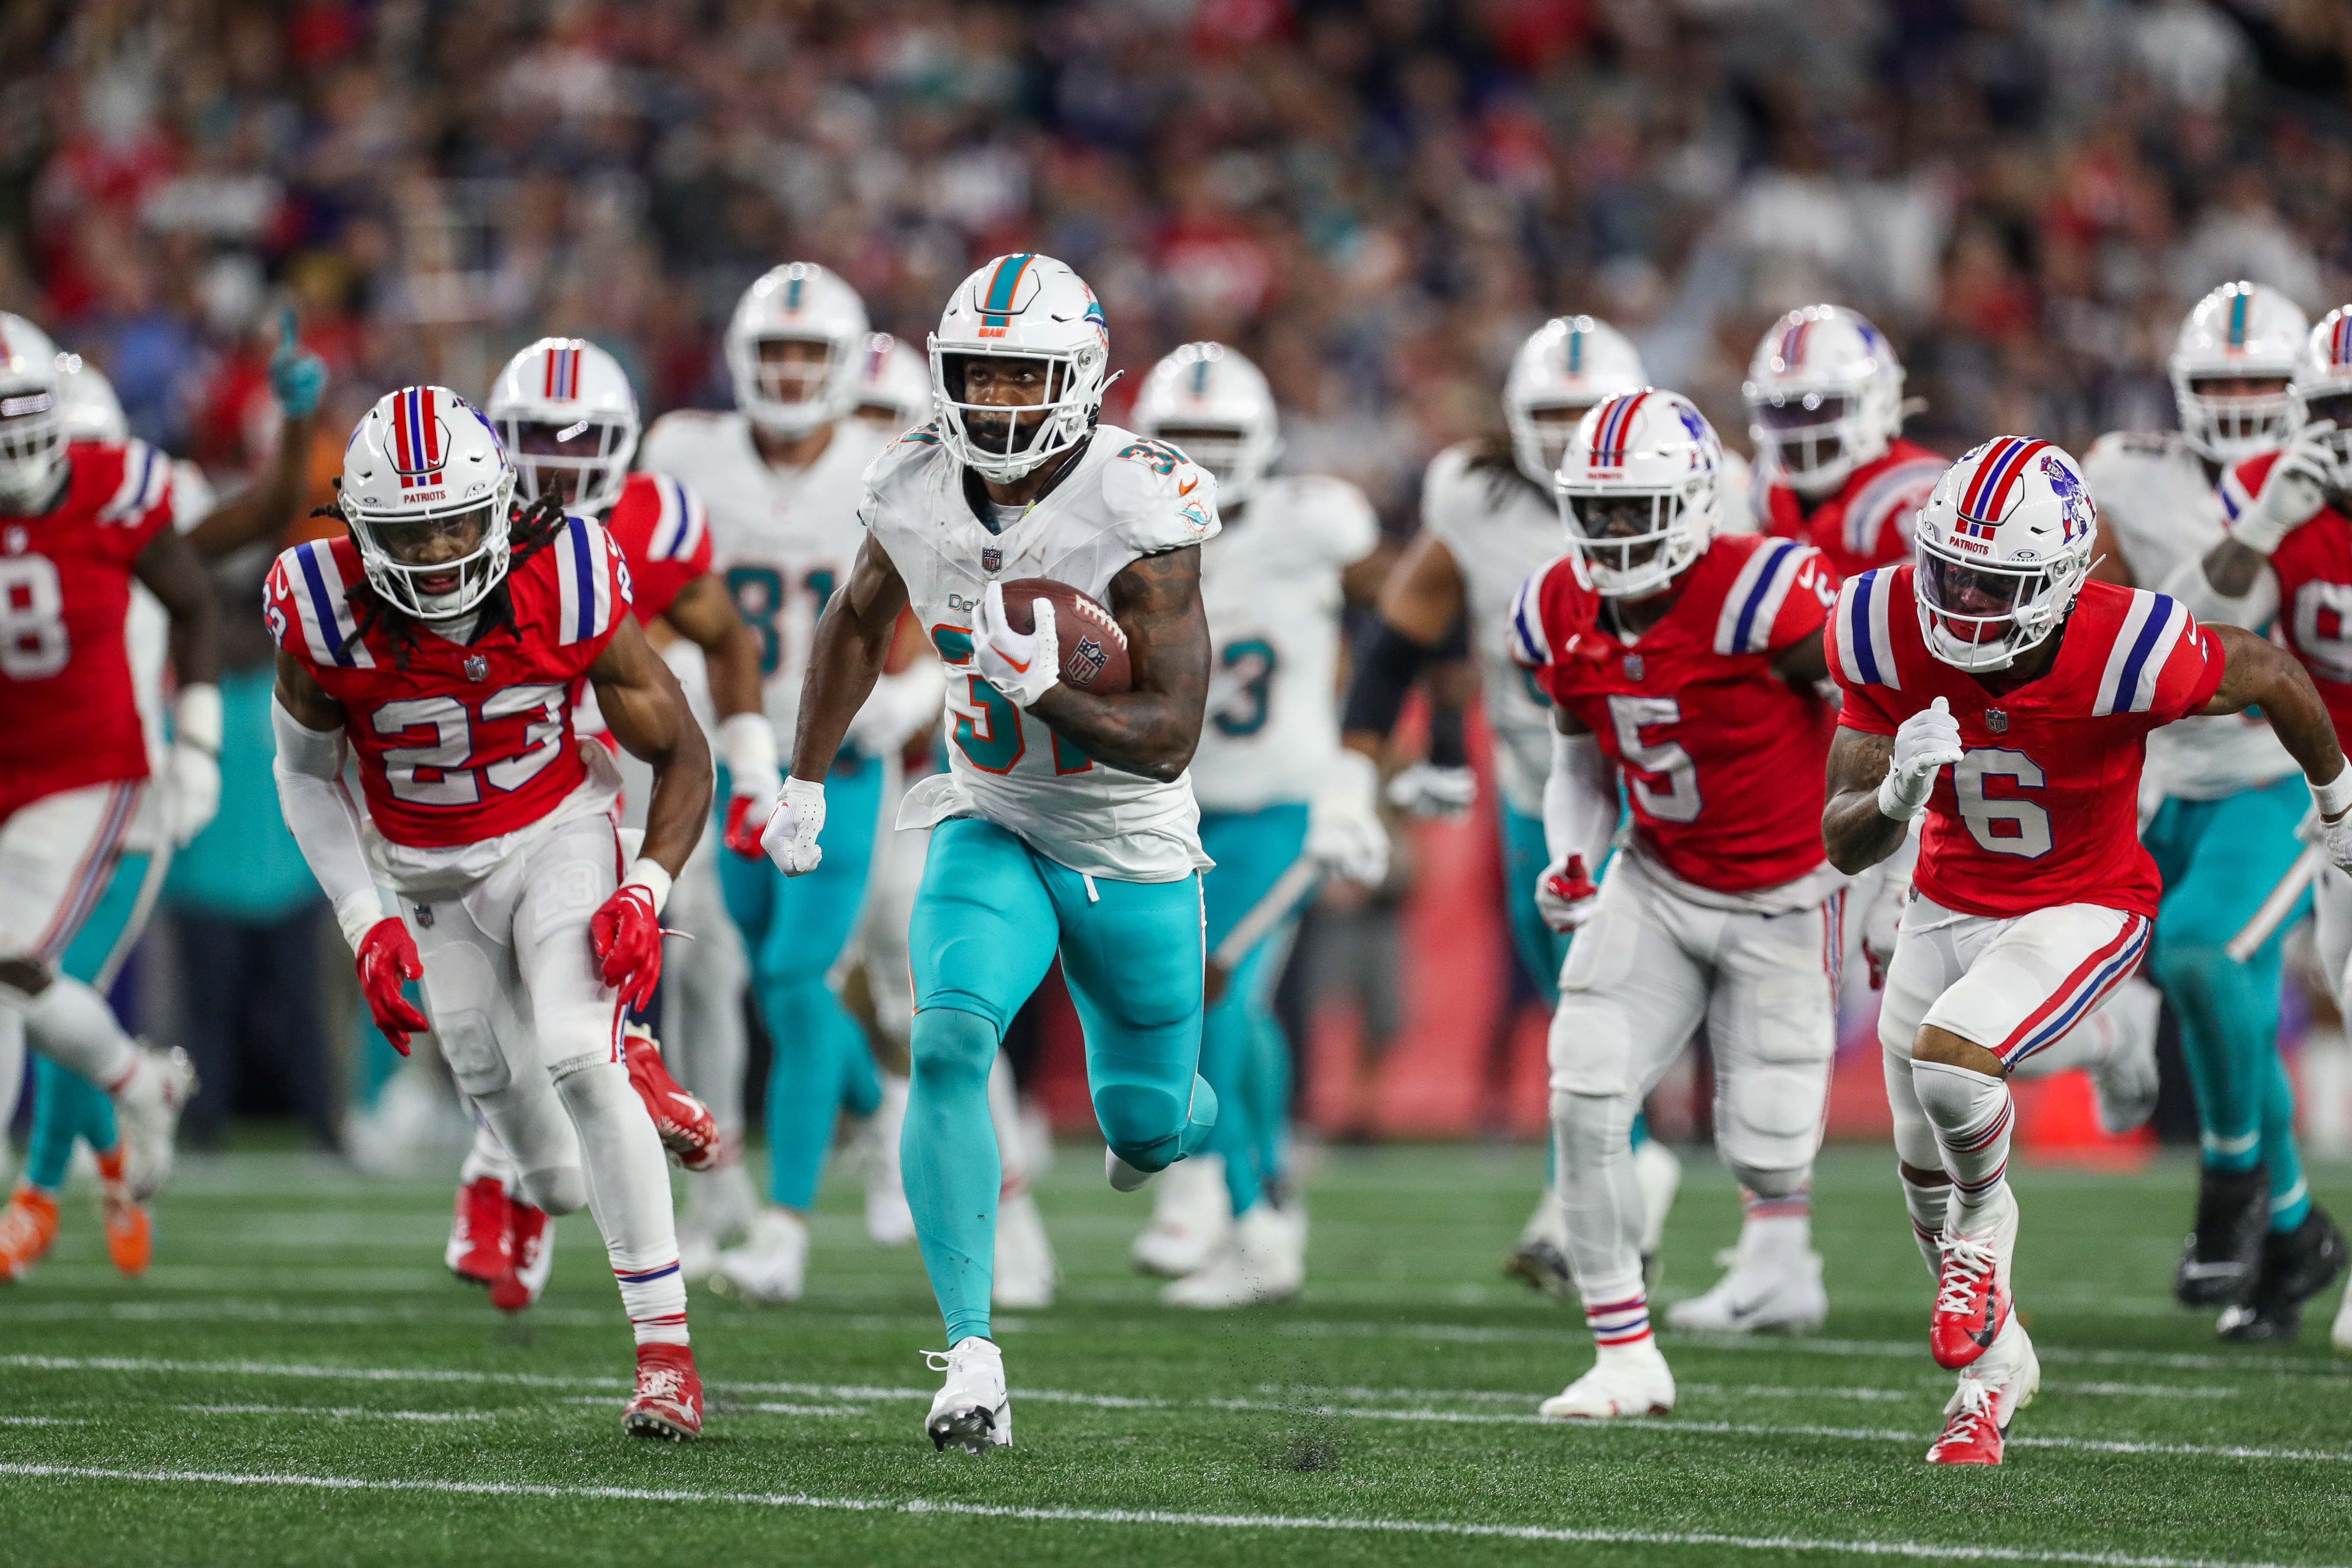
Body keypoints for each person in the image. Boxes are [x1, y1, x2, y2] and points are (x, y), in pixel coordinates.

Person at [1822, 436, 2352, 1464]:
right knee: (1919, 1166)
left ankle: (1987, 1234)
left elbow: (2274, 671)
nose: (1966, 601)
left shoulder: (2129, 643)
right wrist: (1892, 793)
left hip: (2084, 899)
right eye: (1953, 572)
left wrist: (2336, 798)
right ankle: (1992, 1376)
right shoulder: (1883, 623)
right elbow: (1842, 835)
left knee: (1954, 1061)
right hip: (1944, 899)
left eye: (1998, 581)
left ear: (2062, 579)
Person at [770, 252, 1220, 1450]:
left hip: (1128, 846)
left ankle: (1185, 1117)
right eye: (976, 373)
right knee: (950, 1030)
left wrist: (1049, 695)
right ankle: (970, 1353)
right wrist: (801, 776)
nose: (996, 402)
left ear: (1077, 383)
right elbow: (857, 618)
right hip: (989, 814)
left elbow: (1168, 739)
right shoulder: (914, 481)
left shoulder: (1140, 504)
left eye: (1023, 379)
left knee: (1147, 1127)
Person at [267, 386, 714, 1439]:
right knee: (552, 1180)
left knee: (576, 1053)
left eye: (458, 523)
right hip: (425, 875)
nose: (436, 553)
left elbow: (681, 749)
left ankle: (666, 1356)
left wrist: (646, 889)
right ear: (359, 530)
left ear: (504, 503)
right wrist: (362, 918)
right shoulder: (319, 602)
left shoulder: (567, 569)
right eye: (409, 533)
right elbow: (301, 775)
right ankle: (627, 1059)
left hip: (558, 830)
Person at [1510, 389, 1843, 1418]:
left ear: (1698, 503)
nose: (1612, 531)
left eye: (1635, 508)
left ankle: (1789, 1263)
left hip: (1787, 894)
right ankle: (1623, 1352)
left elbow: (1867, 710)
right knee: (1583, 1092)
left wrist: (1881, 874)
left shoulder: (1765, 594)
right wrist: (1572, 854)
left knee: (1772, 1146)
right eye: (1597, 509)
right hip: (1653, 878)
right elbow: (1573, 756)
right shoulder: (1556, 605)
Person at [1340, 314, 1678, 1297]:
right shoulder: (1471, 493)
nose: (1568, 430)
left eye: (1585, 410)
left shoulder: (1701, 485)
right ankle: (1608, 1184)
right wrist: (1411, 752)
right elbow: (1417, 626)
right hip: (1540, 779)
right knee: (1573, 996)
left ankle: (1631, 1200)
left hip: (1665, 780)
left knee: (1623, 995)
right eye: (1550, 413)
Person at [422, 335, 751, 1310]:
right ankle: (518, 1169)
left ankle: (531, 1175)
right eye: (535, 439)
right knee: (530, 993)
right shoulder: (446, 526)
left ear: (626, 443)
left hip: (639, 771)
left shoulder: (655, 521)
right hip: (517, 774)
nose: (559, 464)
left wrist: (757, 759)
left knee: (644, 969)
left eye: (581, 441)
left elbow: (727, 639)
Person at [641, 265, 946, 1302]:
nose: (787, 371)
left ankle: (784, 1226)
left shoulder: (891, 462)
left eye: (808, 354)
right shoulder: (685, 451)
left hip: (837, 761)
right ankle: (880, 1105)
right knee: (762, 977)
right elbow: (651, 589)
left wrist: (919, 695)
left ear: (843, 363)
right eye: (773, 351)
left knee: (787, 981)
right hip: (730, 759)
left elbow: (957, 603)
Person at [1128, 340, 1386, 1306]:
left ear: (1265, 441)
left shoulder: (1312, 524)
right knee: (1215, 1006)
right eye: (1181, 434)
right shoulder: (1114, 530)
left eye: (1218, 435)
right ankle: (1239, 1187)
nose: (1200, 451)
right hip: (1164, 806)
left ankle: (1250, 1211)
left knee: (1219, 995)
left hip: (1278, 807)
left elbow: (1407, 627)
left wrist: (1376, 766)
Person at [2085, 282, 2320, 1325]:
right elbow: (2130, 631)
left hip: (2281, 777)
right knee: (2222, 1004)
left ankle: (2232, 1195)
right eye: (2219, 383)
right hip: (2159, 777)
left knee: (2201, 957)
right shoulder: (2126, 472)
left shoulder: (2328, 483)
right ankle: (2293, 1238)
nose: (2237, 402)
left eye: (2260, 382)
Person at [2164, 303, 2352, 1342]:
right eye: (2338, 409)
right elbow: (2189, 636)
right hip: (2324, 783)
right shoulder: (2271, 490)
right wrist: (2260, 530)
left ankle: (2257, 1204)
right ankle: (2286, 1230)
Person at [0, 313, 207, 1241]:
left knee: (5, 973)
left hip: (92, 771)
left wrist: (198, 742)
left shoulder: (118, 488)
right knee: (22, 974)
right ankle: (140, 1082)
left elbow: (198, 593)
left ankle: (38, 1194)